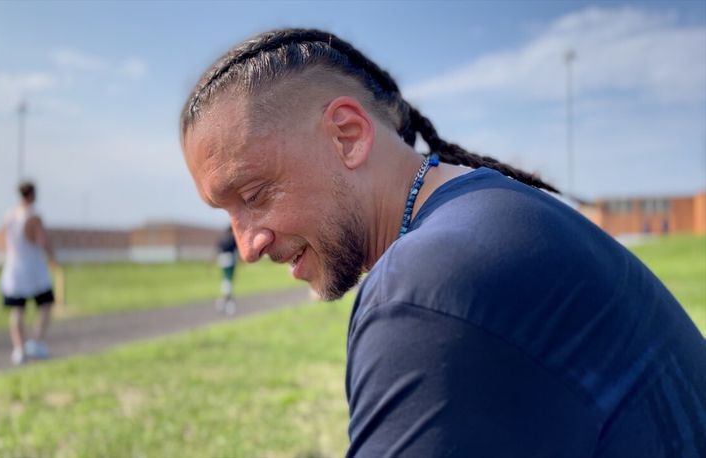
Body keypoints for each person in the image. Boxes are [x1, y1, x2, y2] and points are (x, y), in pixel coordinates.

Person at [180, 28, 706, 457]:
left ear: (348, 134)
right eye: (227, 214)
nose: (246, 245)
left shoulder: (426, 290)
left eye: (253, 193)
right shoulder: (492, 211)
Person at [0, 181, 56, 365]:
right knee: (46, 305)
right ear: (32, 195)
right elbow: (41, 240)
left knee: (18, 310)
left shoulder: (9, 215)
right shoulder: (32, 216)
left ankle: (19, 349)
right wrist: (52, 257)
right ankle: (36, 341)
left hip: (13, 269)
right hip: (33, 270)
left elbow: (4, 239)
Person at [216, 225, 238, 314]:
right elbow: (236, 251)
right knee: (228, 281)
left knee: (226, 280)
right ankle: (225, 303)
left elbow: (217, 250)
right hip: (229, 259)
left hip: (222, 260)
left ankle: (225, 303)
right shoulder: (232, 239)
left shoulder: (222, 239)